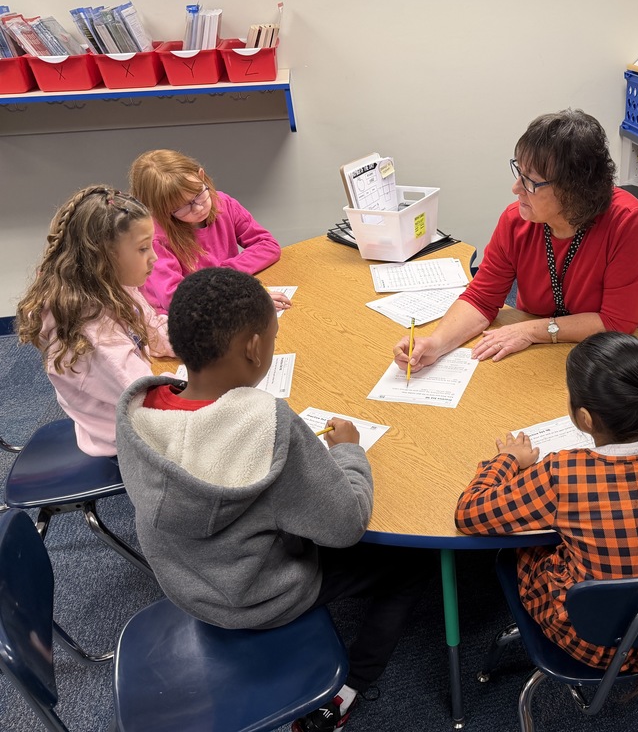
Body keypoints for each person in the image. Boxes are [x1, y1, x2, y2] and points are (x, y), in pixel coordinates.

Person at [116, 267, 433, 731]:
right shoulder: (267, 425)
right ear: (254, 346)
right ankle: (348, 691)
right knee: (409, 567)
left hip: (187, 585)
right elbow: (346, 525)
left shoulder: (140, 410)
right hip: (256, 598)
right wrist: (347, 451)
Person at [455, 331, 638, 690]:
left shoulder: (563, 474)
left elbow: (469, 512)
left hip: (599, 641)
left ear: (584, 418)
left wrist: (507, 459)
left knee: (520, 547)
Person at [394, 109, 638, 372]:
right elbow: (481, 299)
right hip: (541, 351)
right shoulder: (516, 221)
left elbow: (616, 322)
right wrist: (435, 344)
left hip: (614, 353)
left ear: (574, 190)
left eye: (530, 181)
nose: (516, 188)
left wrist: (531, 330)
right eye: (519, 172)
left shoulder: (627, 221)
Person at [15, 185, 173, 457]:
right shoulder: (93, 336)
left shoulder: (114, 287)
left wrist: (200, 340)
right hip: (126, 439)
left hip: (132, 407)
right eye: (143, 248)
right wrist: (204, 382)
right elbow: (147, 399)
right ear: (103, 257)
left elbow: (154, 330)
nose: (154, 257)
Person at [128, 148, 289, 314]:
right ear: (161, 210)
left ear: (201, 176)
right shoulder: (156, 239)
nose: (198, 208)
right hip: (178, 318)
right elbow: (176, 299)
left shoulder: (223, 203)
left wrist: (223, 276)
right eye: (180, 207)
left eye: (198, 194)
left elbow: (267, 245)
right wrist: (233, 293)